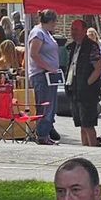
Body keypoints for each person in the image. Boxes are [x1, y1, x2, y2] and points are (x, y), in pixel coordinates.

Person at [65, 20, 101, 149]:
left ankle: (92, 149)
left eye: (76, 29)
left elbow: (98, 68)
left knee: (88, 123)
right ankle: (84, 148)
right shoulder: (73, 46)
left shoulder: (91, 46)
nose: (73, 32)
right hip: (74, 88)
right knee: (81, 123)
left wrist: (87, 83)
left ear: (84, 30)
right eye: (72, 29)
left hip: (87, 91)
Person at [28, 10, 63, 147]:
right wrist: (48, 67)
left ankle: (46, 133)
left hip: (50, 76)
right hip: (42, 75)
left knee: (50, 106)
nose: (56, 24)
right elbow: (34, 54)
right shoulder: (38, 33)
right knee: (45, 105)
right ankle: (42, 135)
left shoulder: (46, 33)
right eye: (55, 22)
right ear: (50, 21)